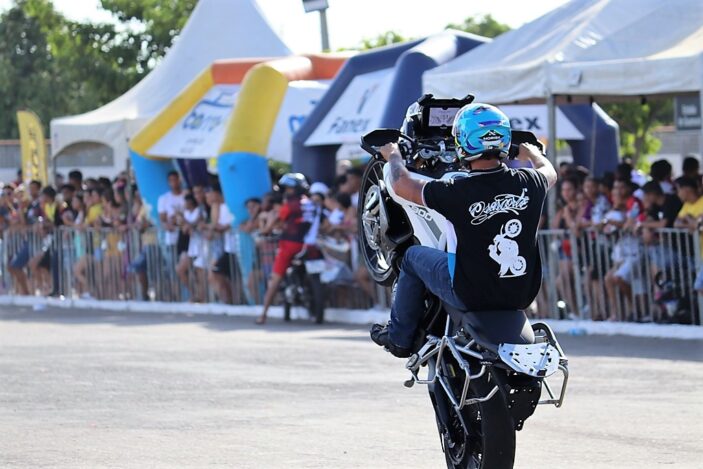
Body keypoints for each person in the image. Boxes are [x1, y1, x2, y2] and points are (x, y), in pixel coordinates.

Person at [369, 103, 557, 357]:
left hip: (469, 293)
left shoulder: (455, 191)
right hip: (520, 294)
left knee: (412, 257)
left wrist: (393, 155)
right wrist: (532, 153)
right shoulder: (531, 182)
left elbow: (402, 184)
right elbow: (550, 172)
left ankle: (399, 338)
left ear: (463, 142)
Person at [256, 173, 313, 325]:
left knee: (275, 279)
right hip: (309, 245)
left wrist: (265, 229)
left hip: (289, 245)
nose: (286, 192)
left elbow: (276, 221)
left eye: (289, 189)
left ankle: (263, 315)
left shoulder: (289, 205)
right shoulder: (310, 203)